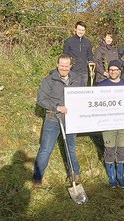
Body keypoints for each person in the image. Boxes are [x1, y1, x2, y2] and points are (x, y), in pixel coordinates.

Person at [33, 54, 85, 188]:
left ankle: (75, 174)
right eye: (61, 66)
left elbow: (83, 96)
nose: (64, 68)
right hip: (53, 118)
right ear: (57, 65)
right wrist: (56, 107)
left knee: (71, 148)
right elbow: (41, 99)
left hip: (71, 120)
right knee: (46, 149)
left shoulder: (77, 79)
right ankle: (37, 178)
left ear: (70, 66)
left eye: (66, 66)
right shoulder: (49, 80)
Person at [98, 60, 124, 188]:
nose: (113, 72)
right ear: (108, 71)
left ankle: (120, 176)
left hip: (123, 124)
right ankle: (112, 177)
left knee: (122, 150)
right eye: (111, 70)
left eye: (116, 70)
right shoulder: (101, 86)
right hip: (108, 125)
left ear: (120, 71)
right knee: (110, 150)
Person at [63, 21, 94, 85]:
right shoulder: (69, 41)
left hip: (84, 72)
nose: (81, 32)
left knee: (83, 91)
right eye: (79, 29)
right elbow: (65, 56)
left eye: (83, 30)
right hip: (72, 71)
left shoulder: (87, 42)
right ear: (75, 29)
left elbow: (90, 56)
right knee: (72, 90)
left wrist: (91, 69)